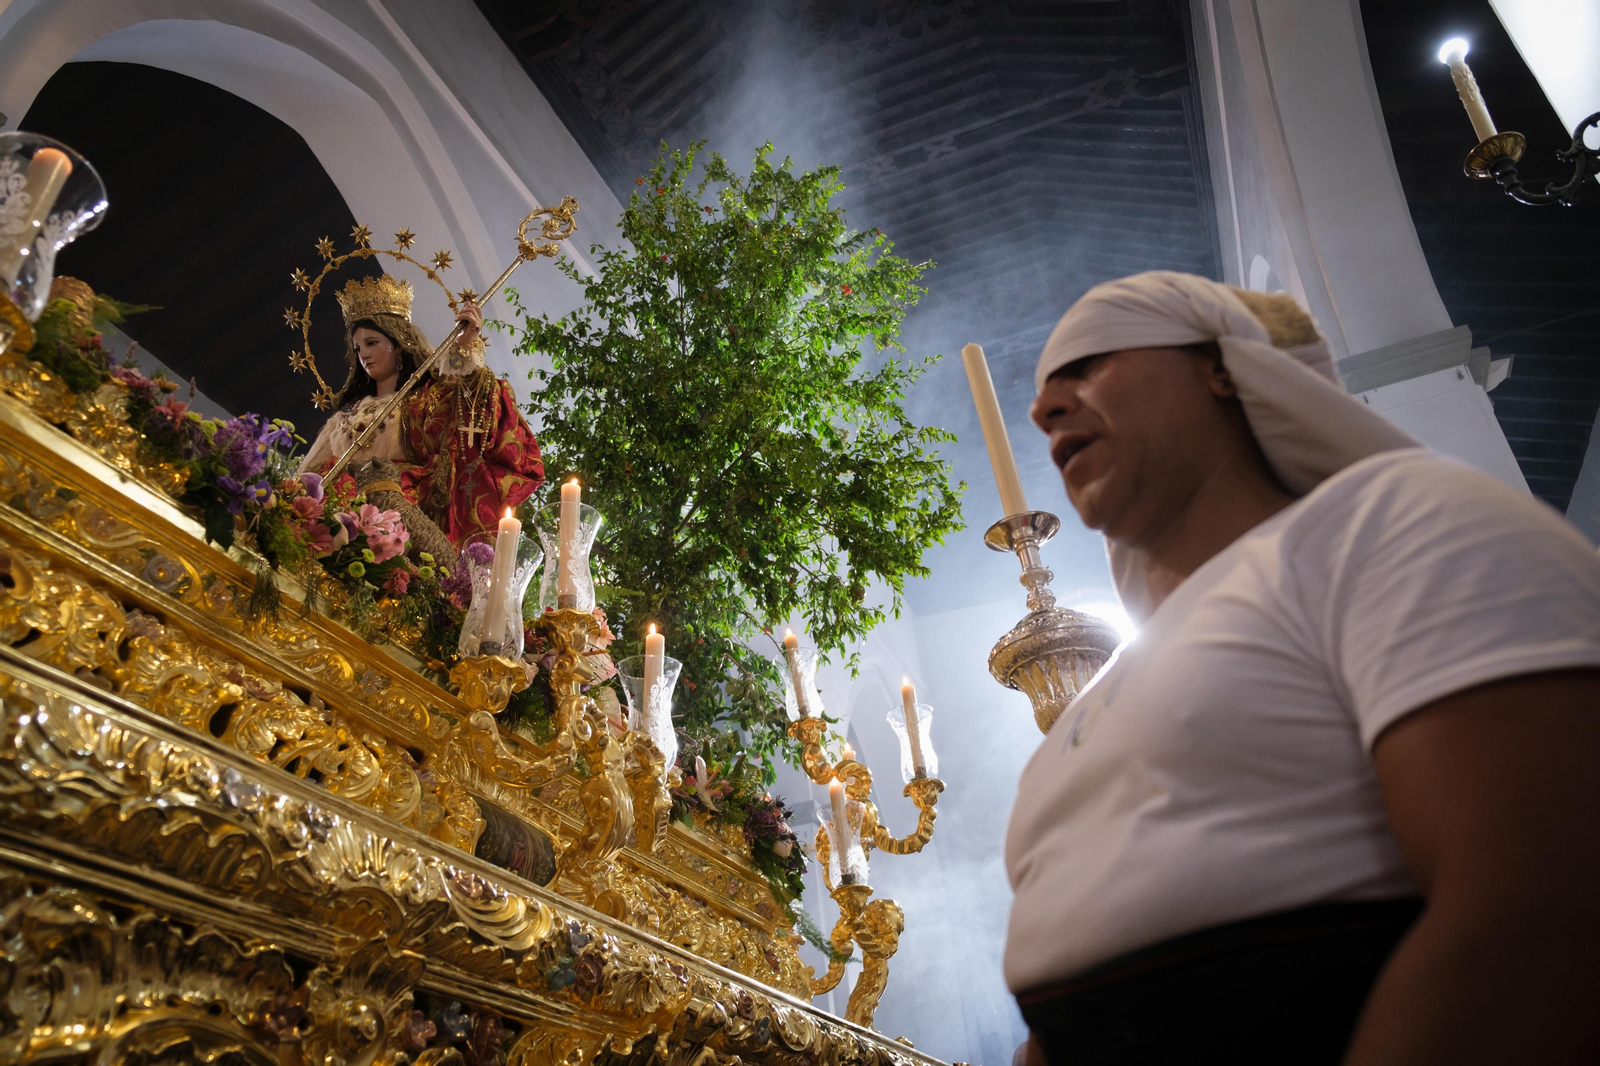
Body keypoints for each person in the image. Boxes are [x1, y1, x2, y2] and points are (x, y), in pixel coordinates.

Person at [1005, 271, 1600, 1065]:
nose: (1046, 409)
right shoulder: (1099, 692)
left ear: (1224, 366)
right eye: (1046, 391)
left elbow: (1537, 907)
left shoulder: (1395, 521)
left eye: (1087, 364)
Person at [299, 274, 544, 545]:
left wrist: (463, 347)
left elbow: (472, 408)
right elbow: (308, 477)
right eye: (358, 348)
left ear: (398, 345)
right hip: (337, 510)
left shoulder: (424, 400)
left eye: (372, 343)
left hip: (393, 508)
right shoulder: (341, 420)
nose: (364, 355)